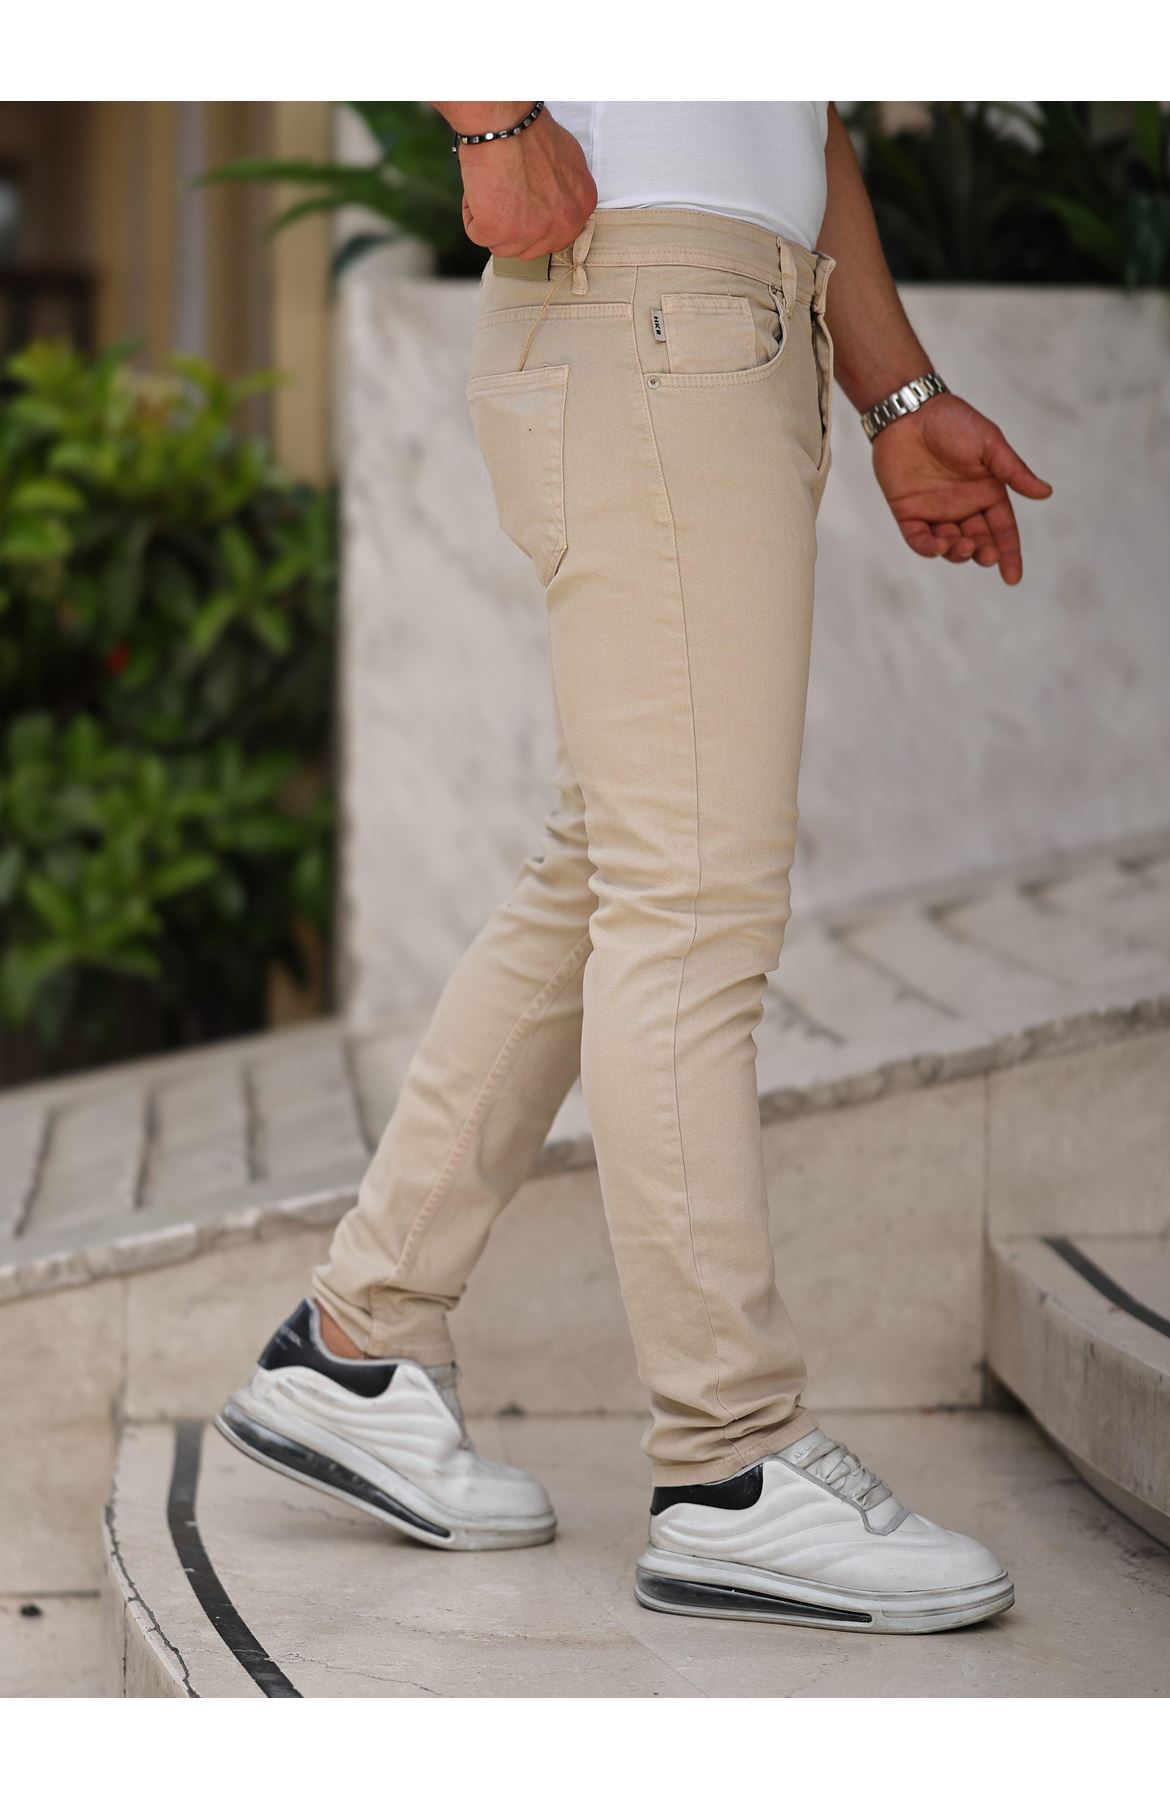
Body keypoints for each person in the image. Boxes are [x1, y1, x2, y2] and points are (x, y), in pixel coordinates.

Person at [218, 101, 1051, 1634]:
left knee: (611, 867)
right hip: (656, 310)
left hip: (712, 317)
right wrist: (490, 114)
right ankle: (731, 1465)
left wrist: (895, 392)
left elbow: (805, 110)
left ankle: (359, 1345)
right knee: (689, 902)